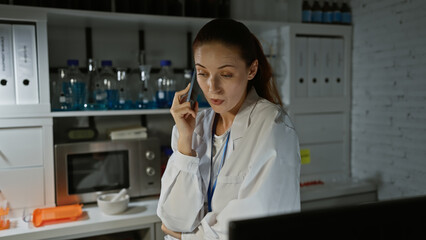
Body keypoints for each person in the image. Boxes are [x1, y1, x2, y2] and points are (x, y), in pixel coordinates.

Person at [157, 18, 301, 240]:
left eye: (225, 74)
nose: (212, 88)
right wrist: (185, 141)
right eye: (203, 74)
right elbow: (174, 220)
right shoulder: (194, 126)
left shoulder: (271, 124)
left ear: (252, 69)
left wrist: (186, 237)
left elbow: (253, 226)